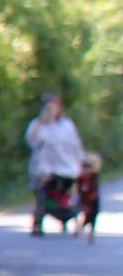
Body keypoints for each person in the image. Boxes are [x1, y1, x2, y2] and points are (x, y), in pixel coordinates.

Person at [28, 93, 85, 236]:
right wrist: (43, 121)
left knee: (69, 197)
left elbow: (76, 146)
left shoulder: (67, 125)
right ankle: (37, 224)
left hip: (67, 169)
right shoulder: (38, 125)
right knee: (43, 196)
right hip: (44, 170)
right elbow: (31, 141)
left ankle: (71, 220)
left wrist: (81, 164)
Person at [80, 152, 102, 243]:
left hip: (93, 199)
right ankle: (82, 227)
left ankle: (91, 231)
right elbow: (78, 188)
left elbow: (95, 187)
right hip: (84, 200)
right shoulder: (80, 177)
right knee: (86, 214)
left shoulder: (94, 176)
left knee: (93, 215)